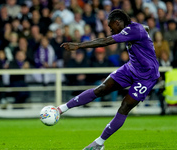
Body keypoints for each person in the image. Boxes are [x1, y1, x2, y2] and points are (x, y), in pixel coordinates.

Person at [58, 9, 160, 150]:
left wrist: (79, 45)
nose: (111, 30)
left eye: (111, 26)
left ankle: (99, 143)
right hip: (131, 68)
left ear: (118, 22)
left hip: (146, 76)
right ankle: (60, 109)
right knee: (101, 89)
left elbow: (106, 41)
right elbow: (146, 28)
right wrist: (145, 31)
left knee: (125, 106)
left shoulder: (134, 30)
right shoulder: (136, 28)